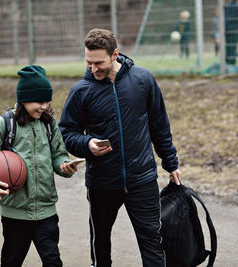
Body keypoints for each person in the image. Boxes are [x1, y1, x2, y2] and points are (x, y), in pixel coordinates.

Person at [59, 28, 181, 267]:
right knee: (101, 243)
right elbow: (67, 133)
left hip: (142, 178)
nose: (93, 69)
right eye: (88, 62)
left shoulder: (143, 80)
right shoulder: (81, 91)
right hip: (102, 182)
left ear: (115, 54)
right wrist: (87, 144)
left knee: (152, 241)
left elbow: (160, 125)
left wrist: (171, 162)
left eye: (99, 63)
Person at [0, 65, 78, 267]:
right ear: (23, 99)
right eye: (39, 101)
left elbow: (58, 155)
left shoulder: (49, 124)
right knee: (11, 262)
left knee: (53, 262)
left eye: (47, 101)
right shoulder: (4, 125)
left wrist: (64, 165)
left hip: (46, 211)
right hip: (15, 213)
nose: (44, 106)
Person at [225, 0, 238, 65]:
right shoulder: (236, 7)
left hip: (226, 30)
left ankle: (228, 62)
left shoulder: (226, 6)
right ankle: (231, 63)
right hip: (234, 30)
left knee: (228, 47)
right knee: (232, 47)